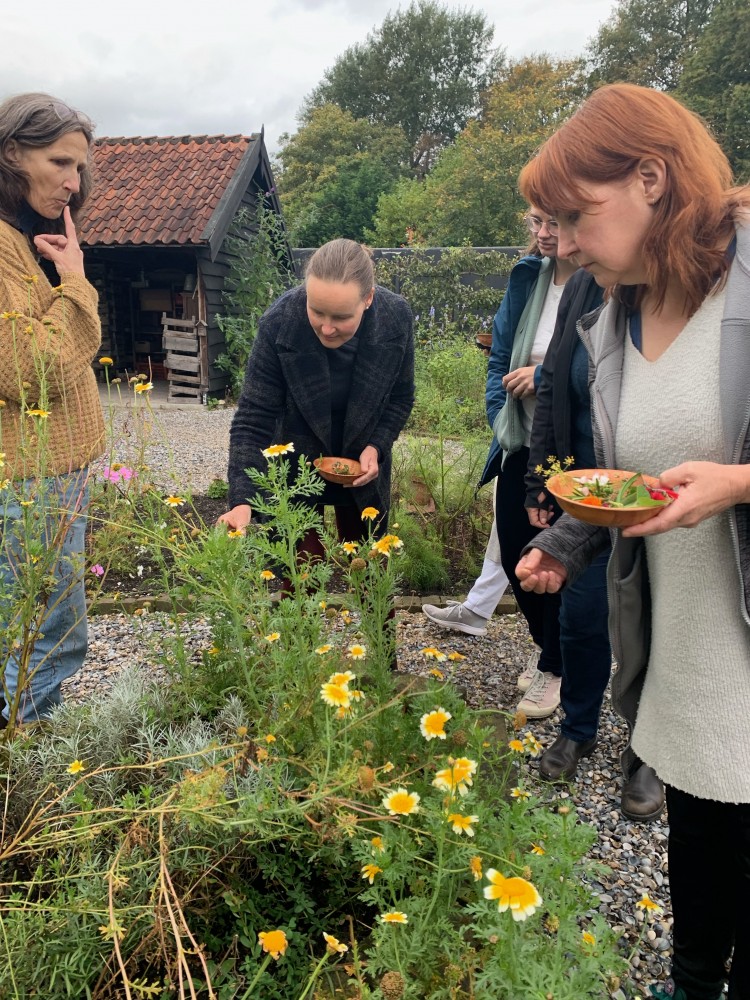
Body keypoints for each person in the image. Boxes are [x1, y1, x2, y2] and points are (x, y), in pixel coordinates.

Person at [516, 83, 750, 1000]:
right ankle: (692, 984)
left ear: (651, 179)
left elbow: (714, 476)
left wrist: (737, 485)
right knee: (699, 818)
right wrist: (570, 542)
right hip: (685, 627)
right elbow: (634, 475)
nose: (563, 241)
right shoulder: (612, 313)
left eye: (577, 215)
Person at [524, 268, 664, 819]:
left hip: (664, 495)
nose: (567, 239)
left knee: (655, 623)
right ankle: (579, 727)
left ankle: (648, 749)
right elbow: (555, 378)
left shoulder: (677, 291)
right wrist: (541, 477)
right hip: (588, 494)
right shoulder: (584, 286)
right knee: (579, 617)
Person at [0, 92, 105, 726]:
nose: (74, 181)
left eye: (79, 168)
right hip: (29, 478)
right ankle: (24, 769)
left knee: (31, 627)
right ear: (11, 152)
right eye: (60, 162)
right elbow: (31, 369)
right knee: (44, 635)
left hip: (46, 474)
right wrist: (78, 282)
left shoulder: (17, 240)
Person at [220, 239, 414, 562]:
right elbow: (253, 418)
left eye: (340, 317)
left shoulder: (395, 319)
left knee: (370, 572)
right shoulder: (279, 323)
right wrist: (242, 500)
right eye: (316, 310)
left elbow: (401, 397)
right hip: (296, 465)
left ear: (368, 299)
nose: (326, 328)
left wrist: (376, 447)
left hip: (361, 469)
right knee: (299, 574)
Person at [486, 210, 578, 718]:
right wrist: (497, 418)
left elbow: (594, 362)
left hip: (570, 446)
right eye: (536, 221)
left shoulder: (598, 281)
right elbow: (499, 357)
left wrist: (542, 375)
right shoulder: (529, 275)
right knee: (516, 549)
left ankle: (557, 666)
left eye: (555, 223)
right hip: (519, 440)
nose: (543, 234)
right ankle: (548, 649)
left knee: (557, 558)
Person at [422, 337, 509, 637]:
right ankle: (476, 609)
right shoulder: (533, 292)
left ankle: (551, 658)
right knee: (507, 522)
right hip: (518, 425)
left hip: (557, 430)